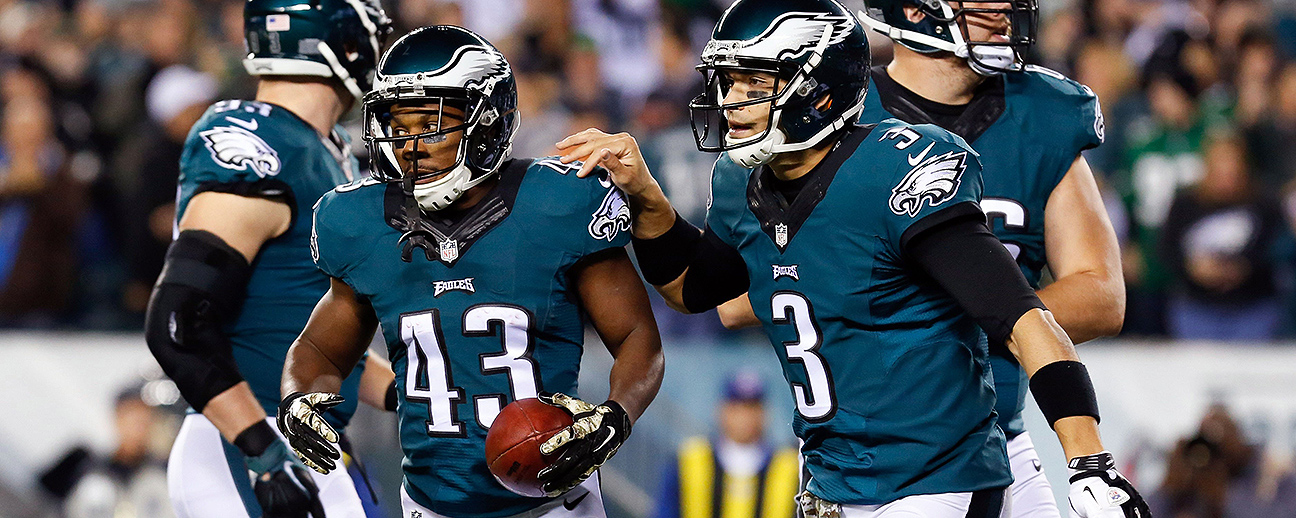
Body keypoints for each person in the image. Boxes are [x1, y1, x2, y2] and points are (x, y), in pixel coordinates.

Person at [555, 0, 1149, 517]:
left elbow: (1022, 317)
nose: (731, 101)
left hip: (936, 470)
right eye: (729, 82)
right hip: (838, 474)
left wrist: (1089, 460)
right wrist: (644, 194)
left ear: (815, 90)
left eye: (754, 83)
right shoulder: (743, 182)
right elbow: (694, 288)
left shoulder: (899, 167)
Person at [713, 0, 1127, 515]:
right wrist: (892, 294)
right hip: (866, 454)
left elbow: (1101, 295)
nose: (1003, 12)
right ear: (912, 8)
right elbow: (736, 295)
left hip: (997, 433)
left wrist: (963, 312)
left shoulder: (1042, 112)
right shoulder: (819, 110)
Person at [273, 25, 665, 518]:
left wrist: (615, 417)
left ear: (485, 122)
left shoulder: (558, 203)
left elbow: (638, 340)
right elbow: (319, 348)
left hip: (554, 505)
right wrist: (296, 399)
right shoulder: (358, 221)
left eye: (431, 121)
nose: (410, 144)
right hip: (428, 505)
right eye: (398, 123)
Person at [142, 1, 395, 516]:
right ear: (343, 44)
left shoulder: (324, 149)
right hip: (252, 440)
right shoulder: (262, 143)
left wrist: (418, 393)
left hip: (311, 439)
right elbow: (179, 321)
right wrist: (263, 454)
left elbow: (300, 333)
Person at [653, 371, 799, 518]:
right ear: (721, 410)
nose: (744, 417)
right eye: (736, 408)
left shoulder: (789, 466)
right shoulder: (689, 460)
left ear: (765, 413)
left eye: (752, 408)